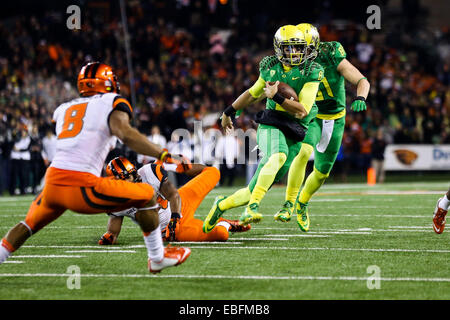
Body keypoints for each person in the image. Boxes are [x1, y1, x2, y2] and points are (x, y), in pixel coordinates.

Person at [0, 62, 192, 273]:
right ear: (108, 83)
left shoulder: (64, 108)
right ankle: (157, 257)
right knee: (146, 194)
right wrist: (163, 154)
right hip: (80, 183)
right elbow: (125, 134)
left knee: (27, 225)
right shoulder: (111, 101)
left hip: (54, 181)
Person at [203, 25, 324, 232]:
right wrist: (228, 111)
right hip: (272, 123)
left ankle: (221, 204)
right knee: (278, 156)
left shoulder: (312, 71)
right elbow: (251, 94)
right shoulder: (271, 67)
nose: (293, 53)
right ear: (279, 49)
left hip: (296, 129)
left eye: (297, 48)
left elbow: (302, 111)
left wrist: (276, 95)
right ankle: (252, 208)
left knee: (252, 189)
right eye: (288, 48)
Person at [273, 23, 370, 231]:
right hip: (312, 114)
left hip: (335, 118)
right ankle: (288, 203)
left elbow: (362, 80)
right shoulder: (291, 63)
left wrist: (361, 96)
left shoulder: (330, 54)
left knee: (322, 172)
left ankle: (302, 203)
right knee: (303, 152)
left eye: (302, 48)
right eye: (294, 47)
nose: (297, 53)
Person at [98, 157, 250, 245]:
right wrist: (110, 236)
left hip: (179, 205)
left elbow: (173, 194)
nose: (128, 182)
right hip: (173, 229)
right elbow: (113, 229)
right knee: (221, 234)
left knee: (213, 172)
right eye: (123, 180)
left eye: (129, 177)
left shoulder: (148, 172)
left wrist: (177, 167)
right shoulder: (115, 200)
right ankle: (224, 223)